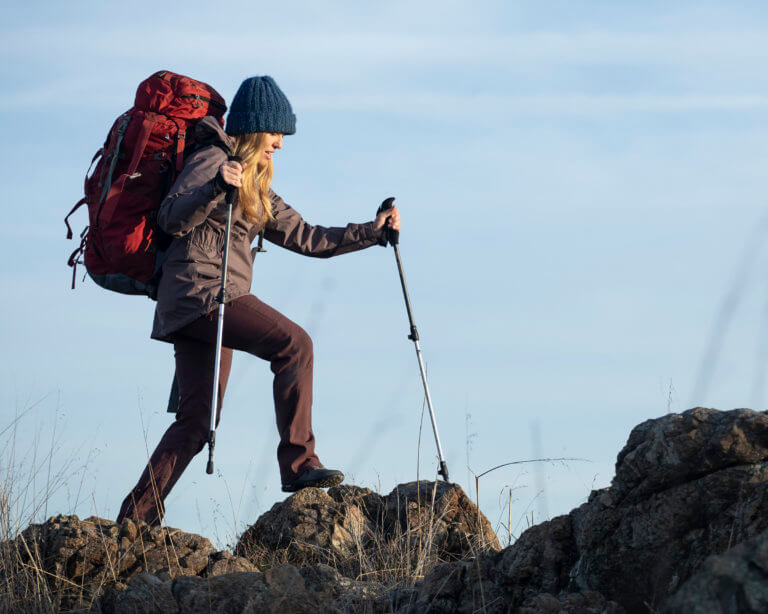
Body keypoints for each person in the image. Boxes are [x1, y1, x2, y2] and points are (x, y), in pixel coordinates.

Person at [117, 75, 400, 526]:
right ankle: (300, 464)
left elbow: (309, 237)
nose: (280, 145)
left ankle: (135, 520)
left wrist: (374, 230)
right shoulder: (213, 158)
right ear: (254, 128)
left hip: (195, 304)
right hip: (205, 294)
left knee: (196, 422)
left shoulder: (256, 186)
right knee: (296, 344)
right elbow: (171, 217)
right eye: (276, 134)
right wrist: (214, 187)